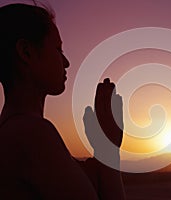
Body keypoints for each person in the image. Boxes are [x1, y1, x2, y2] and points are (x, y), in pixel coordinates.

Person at [0, 3, 125, 200]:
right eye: (58, 49)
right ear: (26, 52)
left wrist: (102, 145)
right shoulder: (32, 134)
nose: (66, 62)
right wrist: (108, 146)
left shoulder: (11, 129)